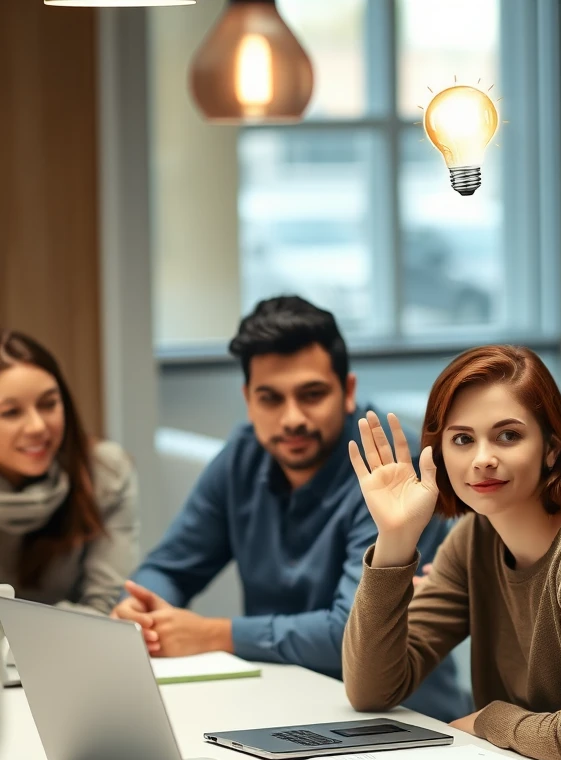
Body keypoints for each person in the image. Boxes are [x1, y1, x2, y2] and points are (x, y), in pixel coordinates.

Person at [112, 296, 466, 721]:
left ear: (348, 391)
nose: (292, 418)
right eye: (270, 399)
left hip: (402, 720)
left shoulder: (395, 471)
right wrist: (141, 613)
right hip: (281, 706)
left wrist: (214, 634)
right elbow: (169, 567)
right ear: (248, 399)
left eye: (311, 394)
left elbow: (350, 630)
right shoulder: (242, 456)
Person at [343, 345, 561, 760]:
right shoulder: (474, 538)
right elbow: (371, 690)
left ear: (551, 447)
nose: (483, 459)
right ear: (439, 455)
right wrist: (395, 538)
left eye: (508, 436)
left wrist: (488, 720)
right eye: (463, 439)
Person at [0, 330, 138, 613]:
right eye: (11, 412)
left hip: (76, 640)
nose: (37, 426)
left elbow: (107, 606)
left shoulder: (105, 473)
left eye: (48, 404)